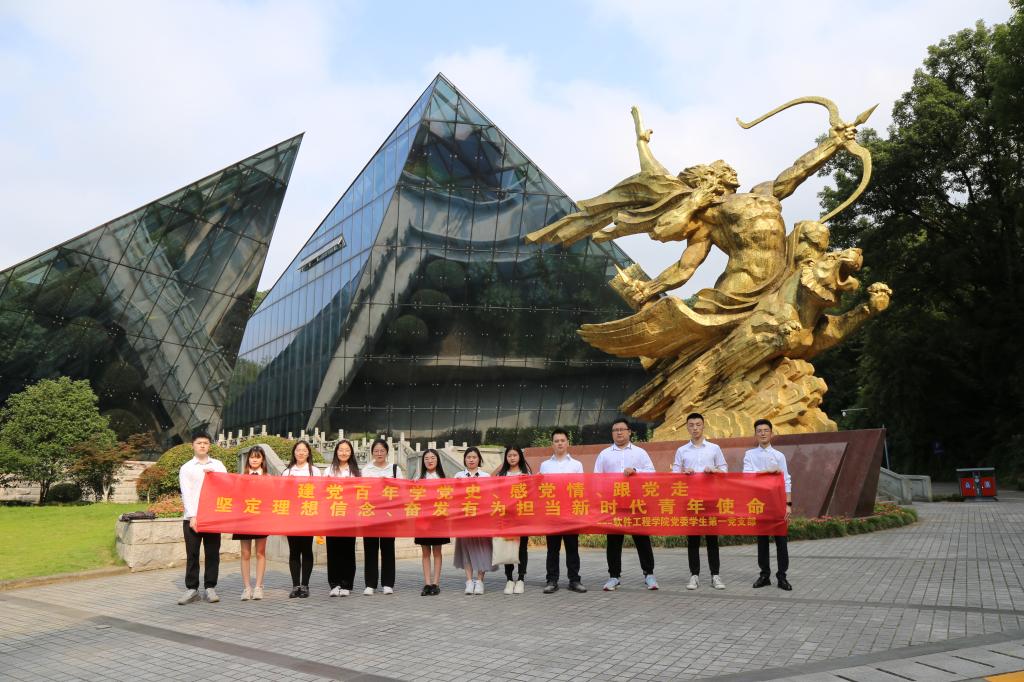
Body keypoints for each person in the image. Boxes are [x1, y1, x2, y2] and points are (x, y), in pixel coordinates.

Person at [594, 418, 658, 591]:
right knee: (613, 541)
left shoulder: (640, 453)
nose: (619, 433)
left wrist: (636, 471)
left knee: (642, 539)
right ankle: (614, 576)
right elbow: (597, 478)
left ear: (629, 432)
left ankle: (649, 574)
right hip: (614, 504)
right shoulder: (604, 454)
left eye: (622, 429)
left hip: (637, 503)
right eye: (615, 430)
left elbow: (652, 473)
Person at [671, 412, 728, 590]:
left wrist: (714, 470)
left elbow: (725, 470)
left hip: (710, 498)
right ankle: (694, 575)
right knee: (693, 539)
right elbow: (674, 475)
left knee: (712, 539)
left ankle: (715, 575)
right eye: (691, 425)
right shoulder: (682, 450)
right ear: (687, 427)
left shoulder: (714, 448)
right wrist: (683, 473)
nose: (695, 428)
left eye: (698, 425)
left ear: (703, 426)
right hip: (691, 500)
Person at [177, 431, 227, 605]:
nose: (202, 446)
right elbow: (186, 493)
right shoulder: (187, 468)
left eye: (205, 443)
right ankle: (192, 588)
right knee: (192, 553)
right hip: (192, 518)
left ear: (209, 446)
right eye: (199, 443)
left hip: (212, 517)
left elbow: (226, 487)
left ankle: (210, 587)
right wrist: (192, 516)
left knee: (212, 553)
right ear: (193, 445)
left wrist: (213, 476)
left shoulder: (218, 465)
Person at [743, 419, 793, 591]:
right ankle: (764, 575)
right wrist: (768, 472)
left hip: (777, 502)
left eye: (766, 430)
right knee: (762, 541)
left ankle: (782, 576)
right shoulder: (750, 455)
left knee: (781, 541)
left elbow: (786, 480)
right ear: (755, 434)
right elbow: (747, 476)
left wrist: (788, 504)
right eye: (759, 431)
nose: (763, 433)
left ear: (771, 433)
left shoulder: (779, 456)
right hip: (758, 502)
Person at [539, 428, 587, 594]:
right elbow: (541, 489)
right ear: (552, 444)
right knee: (552, 549)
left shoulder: (576, 465)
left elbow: (581, 488)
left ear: (567, 443)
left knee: (572, 548)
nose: (559, 443)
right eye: (556, 441)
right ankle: (552, 580)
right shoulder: (545, 465)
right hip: (552, 512)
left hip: (570, 512)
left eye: (562, 440)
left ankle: (574, 580)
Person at [361, 438, 402, 595]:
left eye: (382, 451)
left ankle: (388, 583)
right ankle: (370, 584)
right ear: (372, 453)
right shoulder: (366, 470)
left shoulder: (394, 469)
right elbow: (361, 491)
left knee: (388, 548)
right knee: (370, 548)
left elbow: (401, 490)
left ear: (387, 452)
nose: (379, 453)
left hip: (388, 515)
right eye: (376, 451)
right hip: (370, 513)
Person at [282, 440, 322, 598]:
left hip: (308, 514)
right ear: (294, 452)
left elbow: (319, 493)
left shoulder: (315, 471)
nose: (301, 453)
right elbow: (282, 494)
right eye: (298, 450)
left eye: (304, 450)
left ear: (308, 453)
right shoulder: (287, 472)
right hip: (292, 516)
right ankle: (295, 585)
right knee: (293, 550)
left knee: (306, 549)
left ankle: (305, 585)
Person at [453, 447, 493, 595]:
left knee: (482, 550)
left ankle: (480, 581)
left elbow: (490, 497)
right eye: (468, 457)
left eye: (474, 457)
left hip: (481, 520)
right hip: (464, 520)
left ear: (479, 459)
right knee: (466, 551)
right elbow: (454, 497)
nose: (471, 460)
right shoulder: (458, 476)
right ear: (464, 459)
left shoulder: (486, 476)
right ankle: (469, 581)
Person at [324, 439, 359, 597]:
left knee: (348, 550)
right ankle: (334, 584)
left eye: (347, 450)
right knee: (333, 550)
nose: (344, 453)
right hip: (332, 515)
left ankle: (346, 584)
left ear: (351, 453)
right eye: (341, 450)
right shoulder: (329, 470)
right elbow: (323, 491)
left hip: (350, 516)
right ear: (336, 452)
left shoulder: (356, 471)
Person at [234, 445, 269, 601]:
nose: (254, 460)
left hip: (261, 518)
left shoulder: (268, 477)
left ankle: (259, 587)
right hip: (244, 518)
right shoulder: (241, 477)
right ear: (248, 459)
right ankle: (247, 587)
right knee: (245, 553)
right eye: (252, 457)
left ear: (262, 460)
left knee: (260, 552)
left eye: (258, 457)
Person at [495, 446, 531, 595]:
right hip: (506, 517)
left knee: (522, 548)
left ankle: (521, 579)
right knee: (507, 547)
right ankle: (509, 579)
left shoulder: (526, 474)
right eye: (509, 455)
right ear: (506, 458)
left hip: (522, 516)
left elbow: (532, 494)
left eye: (515, 455)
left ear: (520, 457)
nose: (512, 458)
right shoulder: (501, 475)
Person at [414, 448, 449, 596]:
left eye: (433, 458)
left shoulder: (444, 478)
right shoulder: (418, 478)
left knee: (437, 551)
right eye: (427, 458)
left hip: (439, 519)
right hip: (423, 520)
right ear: (423, 461)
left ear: (438, 460)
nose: (430, 461)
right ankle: (427, 583)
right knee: (425, 552)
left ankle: (436, 583)